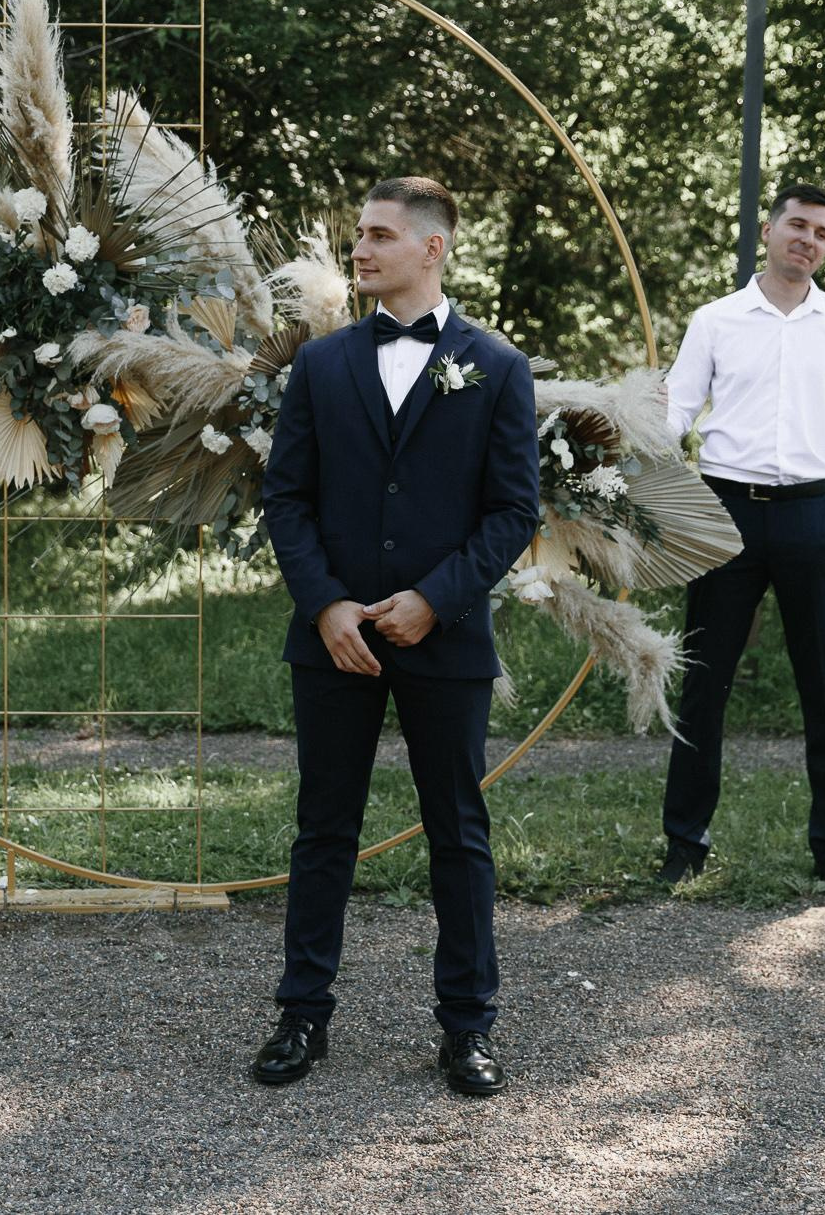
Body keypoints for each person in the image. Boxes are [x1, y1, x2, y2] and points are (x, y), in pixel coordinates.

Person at [253, 176, 540, 1096]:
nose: (362, 249)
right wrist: (326, 603)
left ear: (432, 247)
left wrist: (437, 598)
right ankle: (303, 1014)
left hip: (443, 638)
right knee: (322, 827)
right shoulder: (324, 363)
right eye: (359, 235)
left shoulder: (496, 365)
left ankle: (468, 1029)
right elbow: (286, 497)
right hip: (332, 636)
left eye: (379, 235)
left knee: (457, 830)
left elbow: (512, 510)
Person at [659, 182, 825, 904]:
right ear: (767, 228)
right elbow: (676, 412)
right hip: (725, 515)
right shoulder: (717, 320)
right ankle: (684, 844)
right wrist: (650, 489)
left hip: (813, 517)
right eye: (798, 225)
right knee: (705, 684)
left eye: (822, 232)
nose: (808, 240)